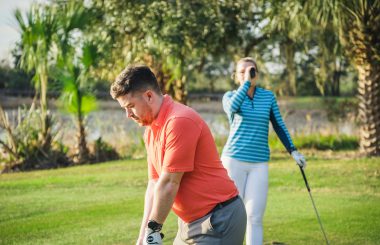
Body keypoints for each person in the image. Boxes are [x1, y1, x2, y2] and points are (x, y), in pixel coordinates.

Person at [110, 65, 247, 245]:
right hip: (189, 223)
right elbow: (154, 184)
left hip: (218, 219)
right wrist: (144, 235)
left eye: (130, 106)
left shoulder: (179, 121)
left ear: (149, 96)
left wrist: (154, 229)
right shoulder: (150, 131)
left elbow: (169, 183)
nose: (127, 115)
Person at [221, 57, 306, 245]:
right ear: (236, 76)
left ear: (257, 74)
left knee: (255, 216)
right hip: (234, 161)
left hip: (259, 163)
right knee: (233, 217)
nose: (247, 75)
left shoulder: (267, 97)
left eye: (251, 71)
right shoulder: (229, 97)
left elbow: (278, 124)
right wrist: (246, 84)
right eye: (241, 72)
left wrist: (293, 150)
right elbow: (233, 107)